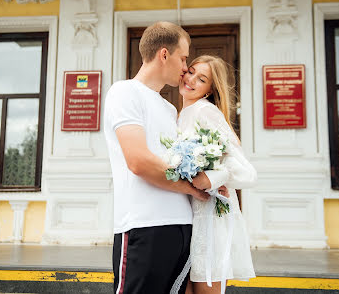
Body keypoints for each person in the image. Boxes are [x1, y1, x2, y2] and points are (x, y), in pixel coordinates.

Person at [104, 22, 210, 294]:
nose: (186, 67)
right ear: (164, 54)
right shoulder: (124, 92)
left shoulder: (168, 108)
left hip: (181, 227)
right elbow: (138, 161)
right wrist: (191, 188)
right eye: (183, 58)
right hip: (143, 225)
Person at [177, 55, 257, 294]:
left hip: (208, 219)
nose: (190, 80)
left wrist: (211, 179)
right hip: (186, 216)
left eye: (201, 79)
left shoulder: (206, 111)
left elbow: (247, 172)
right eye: (190, 71)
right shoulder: (180, 114)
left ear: (209, 91)